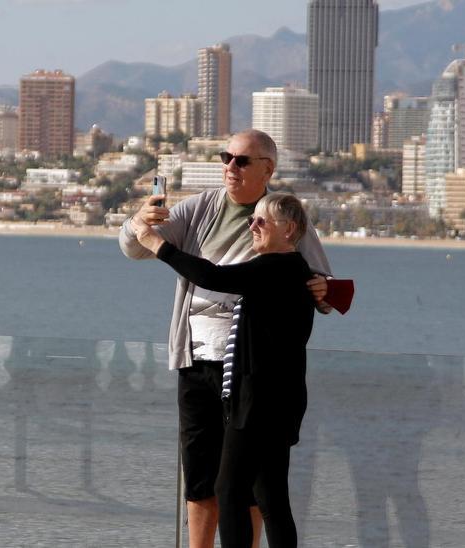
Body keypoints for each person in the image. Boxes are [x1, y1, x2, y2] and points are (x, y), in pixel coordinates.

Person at [119, 129, 333, 547]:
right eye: (225, 157)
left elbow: (319, 282)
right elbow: (132, 247)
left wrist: (325, 289)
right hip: (196, 360)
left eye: (241, 160)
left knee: (249, 490)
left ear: (267, 168)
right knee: (202, 483)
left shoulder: (283, 217)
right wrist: (138, 223)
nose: (230, 167)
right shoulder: (201, 207)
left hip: (248, 373)